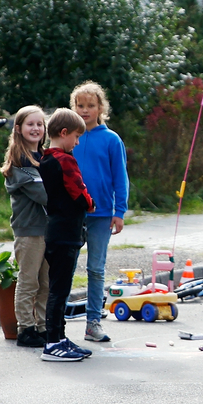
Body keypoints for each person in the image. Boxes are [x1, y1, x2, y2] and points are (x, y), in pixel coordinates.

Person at [71, 81, 128, 345]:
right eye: (80, 105)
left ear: (100, 108)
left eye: (90, 106)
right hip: (71, 212)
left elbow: (120, 178)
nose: (84, 110)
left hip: (102, 213)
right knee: (65, 268)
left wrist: (120, 211)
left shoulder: (111, 139)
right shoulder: (69, 136)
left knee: (95, 269)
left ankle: (93, 322)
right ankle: (55, 321)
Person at [39, 108, 95, 363]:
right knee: (60, 290)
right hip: (66, 232)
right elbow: (79, 192)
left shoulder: (46, 159)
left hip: (56, 231)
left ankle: (59, 337)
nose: (78, 141)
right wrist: (91, 203)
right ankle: (52, 342)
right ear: (64, 133)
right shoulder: (65, 160)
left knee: (58, 288)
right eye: (76, 136)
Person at [2, 105, 50, 349]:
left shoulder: (45, 158)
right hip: (29, 231)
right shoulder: (19, 164)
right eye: (30, 124)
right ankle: (25, 329)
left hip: (47, 230)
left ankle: (43, 326)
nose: (36, 128)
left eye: (40, 124)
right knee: (29, 281)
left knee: (46, 282)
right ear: (19, 129)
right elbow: (45, 195)